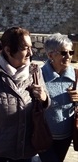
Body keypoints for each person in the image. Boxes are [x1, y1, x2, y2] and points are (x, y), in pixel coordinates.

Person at [0, 27, 51, 162]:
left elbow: (45, 102)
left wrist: (44, 98)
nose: (30, 52)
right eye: (25, 48)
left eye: (30, 47)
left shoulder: (35, 72)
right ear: (8, 50)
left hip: (25, 151)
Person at [39, 33, 78, 162]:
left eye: (71, 52)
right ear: (50, 55)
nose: (69, 56)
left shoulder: (76, 76)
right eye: (63, 53)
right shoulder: (39, 76)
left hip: (67, 136)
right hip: (44, 135)